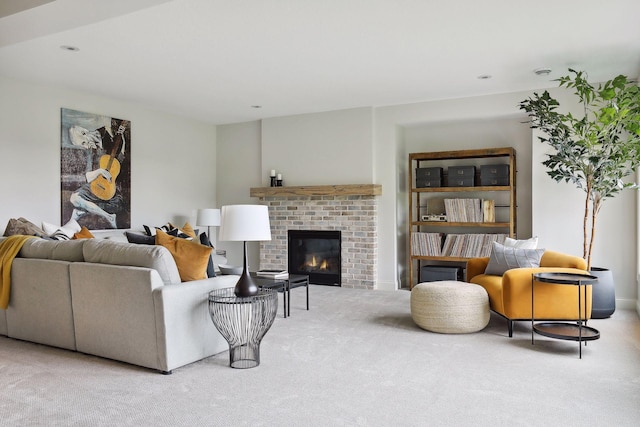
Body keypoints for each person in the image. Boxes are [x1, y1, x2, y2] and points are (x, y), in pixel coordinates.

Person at [68, 119, 128, 229]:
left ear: (85, 133)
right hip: (93, 186)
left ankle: (82, 211)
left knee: (117, 205)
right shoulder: (90, 149)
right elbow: (86, 175)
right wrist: (100, 171)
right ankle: (108, 217)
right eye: (82, 145)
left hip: (110, 188)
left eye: (83, 142)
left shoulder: (109, 136)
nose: (85, 147)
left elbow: (120, 160)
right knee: (74, 198)